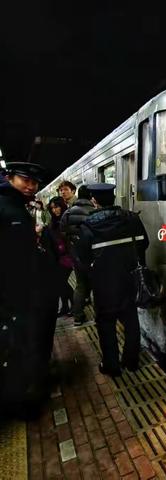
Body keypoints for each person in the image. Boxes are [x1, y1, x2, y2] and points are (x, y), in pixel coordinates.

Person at [0, 162, 57, 416]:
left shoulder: (14, 206)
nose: (31, 186)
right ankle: (21, 404)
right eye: (25, 180)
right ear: (9, 177)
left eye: (34, 182)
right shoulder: (5, 206)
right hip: (13, 294)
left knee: (23, 345)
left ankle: (24, 395)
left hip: (23, 290)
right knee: (18, 348)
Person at [76, 183, 149, 376]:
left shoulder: (87, 226)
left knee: (106, 324)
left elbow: (83, 259)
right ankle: (132, 361)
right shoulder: (132, 219)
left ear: (94, 201)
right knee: (131, 320)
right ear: (114, 197)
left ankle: (112, 366)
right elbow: (144, 244)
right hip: (129, 279)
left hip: (103, 283)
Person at [60, 185, 94, 326]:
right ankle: (100, 317)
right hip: (93, 255)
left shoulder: (68, 213)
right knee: (96, 285)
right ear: (91, 197)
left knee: (80, 285)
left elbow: (63, 233)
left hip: (77, 255)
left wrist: (72, 248)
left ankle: (78, 317)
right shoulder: (95, 211)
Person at [47, 196, 74, 317]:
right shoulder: (52, 222)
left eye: (56, 207)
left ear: (62, 206)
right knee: (60, 283)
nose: (54, 210)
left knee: (61, 282)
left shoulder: (68, 218)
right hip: (57, 257)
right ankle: (65, 306)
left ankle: (73, 305)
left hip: (67, 256)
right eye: (52, 208)